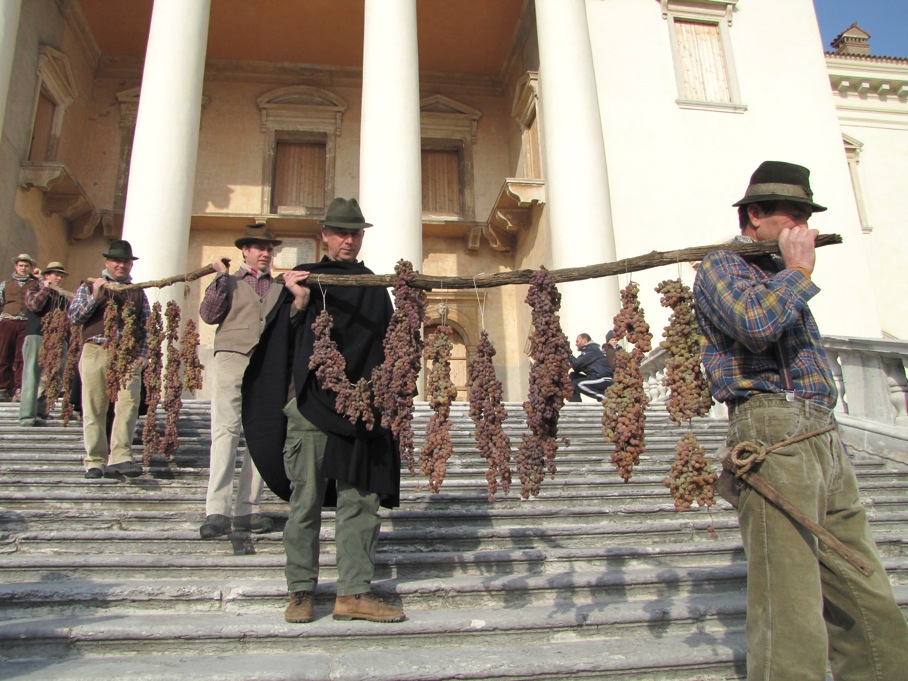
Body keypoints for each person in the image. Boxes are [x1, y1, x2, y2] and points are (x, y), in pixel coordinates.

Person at [693, 160, 908, 680]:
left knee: (865, 589)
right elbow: (755, 324)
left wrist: (790, 272)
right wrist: (799, 271)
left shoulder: (778, 273)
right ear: (755, 215)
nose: (802, 227)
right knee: (788, 599)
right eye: (792, 215)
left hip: (821, 430)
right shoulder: (721, 266)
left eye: (807, 217)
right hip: (771, 429)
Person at [242, 197, 405, 624]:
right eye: (340, 233)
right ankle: (301, 592)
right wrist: (297, 302)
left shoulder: (374, 286)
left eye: (354, 233)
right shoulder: (305, 279)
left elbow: (389, 348)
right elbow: (281, 341)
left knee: (360, 503)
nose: (348, 240)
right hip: (312, 409)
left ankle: (353, 592)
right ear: (325, 236)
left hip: (360, 412)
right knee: (306, 504)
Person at [197, 223, 283, 539]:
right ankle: (217, 510)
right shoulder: (229, 282)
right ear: (245, 250)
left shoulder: (279, 288)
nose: (266, 253)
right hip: (232, 358)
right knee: (226, 430)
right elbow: (208, 315)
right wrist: (220, 278)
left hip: (266, 364)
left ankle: (248, 509)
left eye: (269, 249)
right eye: (259, 248)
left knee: (260, 435)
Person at [69, 240, 150, 479]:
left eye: (126, 261)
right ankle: (95, 460)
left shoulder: (137, 291)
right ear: (107, 262)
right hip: (96, 349)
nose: (121, 265)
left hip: (127, 354)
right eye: (117, 261)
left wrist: (143, 354)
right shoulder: (89, 286)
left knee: (128, 404)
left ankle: (121, 456)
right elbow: (74, 317)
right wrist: (95, 297)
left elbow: (145, 326)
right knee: (94, 405)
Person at [19, 262, 70, 426]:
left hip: (56, 339)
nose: (59, 278)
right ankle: (27, 416)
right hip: (36, 335)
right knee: (32, 374)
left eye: (61, 276)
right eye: (56, 275)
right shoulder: (34, 289)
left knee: (54, 376)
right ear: (47, 276)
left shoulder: (62, 298)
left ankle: (42, 410)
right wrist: (46, 288)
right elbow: (35, 305)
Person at [0, 254, 40, 402]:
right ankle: (3, 387)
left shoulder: (36, 284)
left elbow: (44, 292)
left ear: (30, 268)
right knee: (4, 354)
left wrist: (39, 276)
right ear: (16, 267)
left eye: (26, 266)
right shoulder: (5, 284)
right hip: (8, 321)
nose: (23, 268)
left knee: (22, 356)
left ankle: (19, 388)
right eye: (21, 265)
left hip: (26, 323)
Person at [568, 332, 612, 402]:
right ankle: (575, 403)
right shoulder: (589, 351)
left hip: (604, 379)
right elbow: (576, 368)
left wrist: (568, 353)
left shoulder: (591, 350)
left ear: (584, 341)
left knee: (578, 383)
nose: (576, 344)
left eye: (577, 341)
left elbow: (576, 364)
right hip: (595, 377)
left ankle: (603, 397)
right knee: (573, 376)